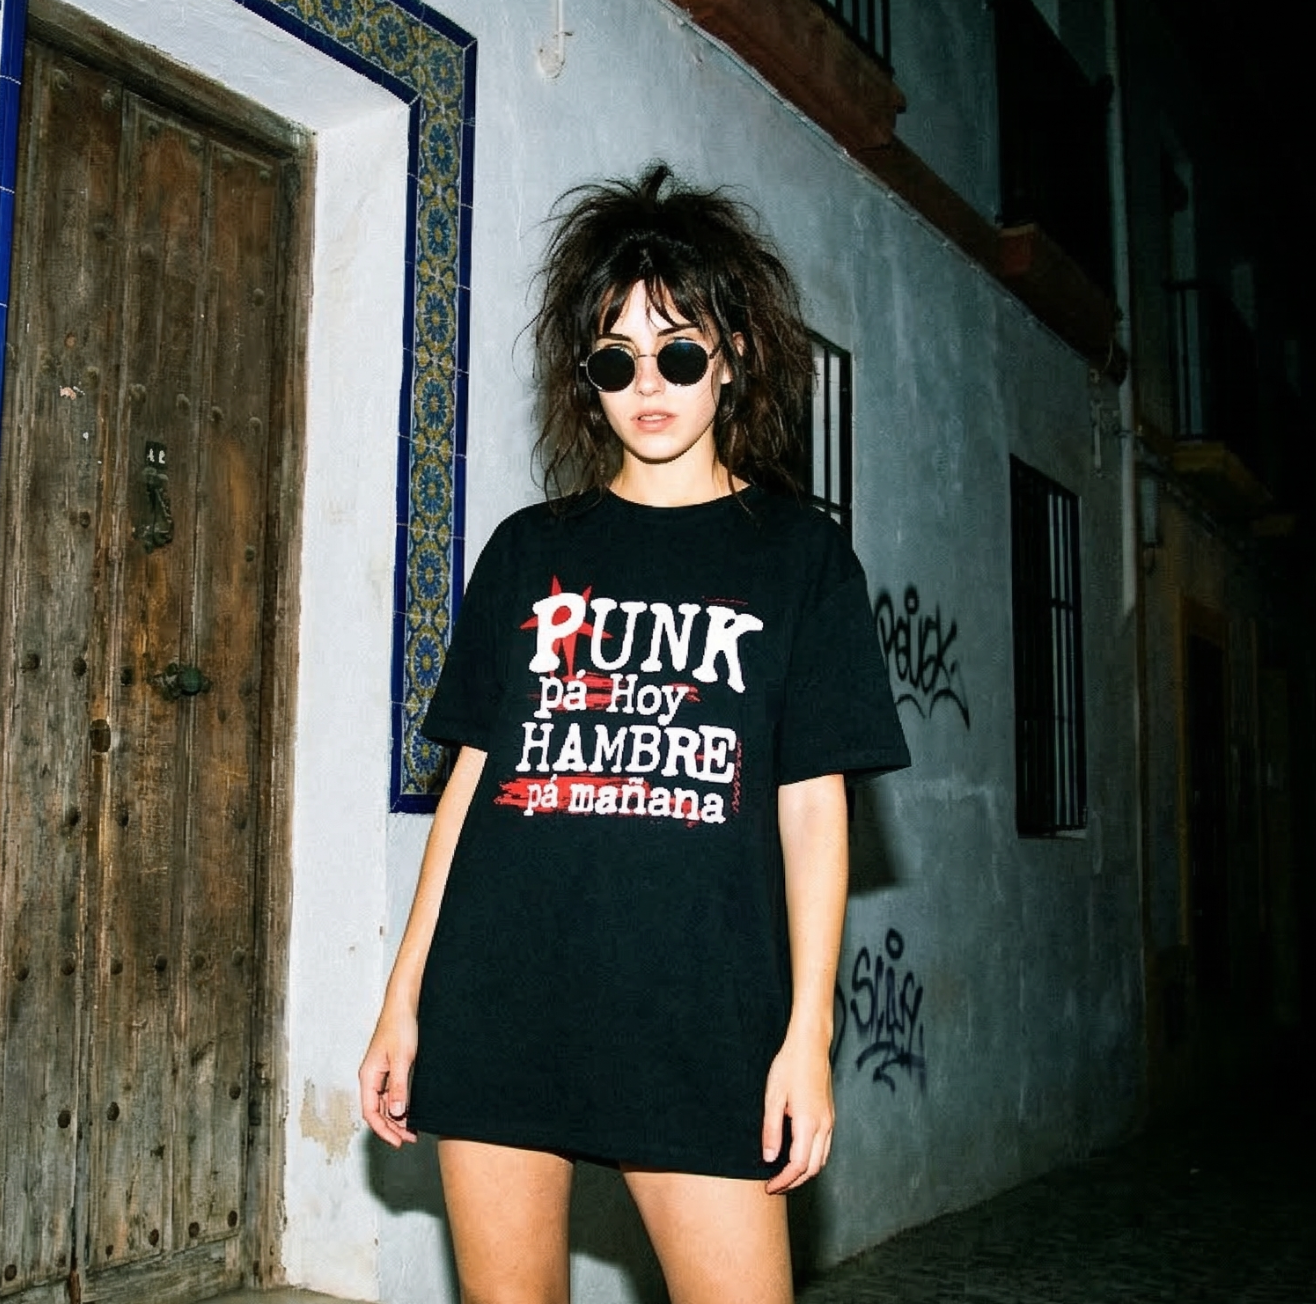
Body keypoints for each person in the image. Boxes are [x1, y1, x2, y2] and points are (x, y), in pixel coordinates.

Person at [359, 163, 909, 1304]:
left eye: (679, 352)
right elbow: (470, 784)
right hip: (503, 996)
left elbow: (814, 808)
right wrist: (403, 997)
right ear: (586, 378)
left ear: (736, 354)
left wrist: (806, 1036)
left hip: (700, 1014)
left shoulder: (800, 559)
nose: (646, 383)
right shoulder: (528, 550)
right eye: (614, 359)